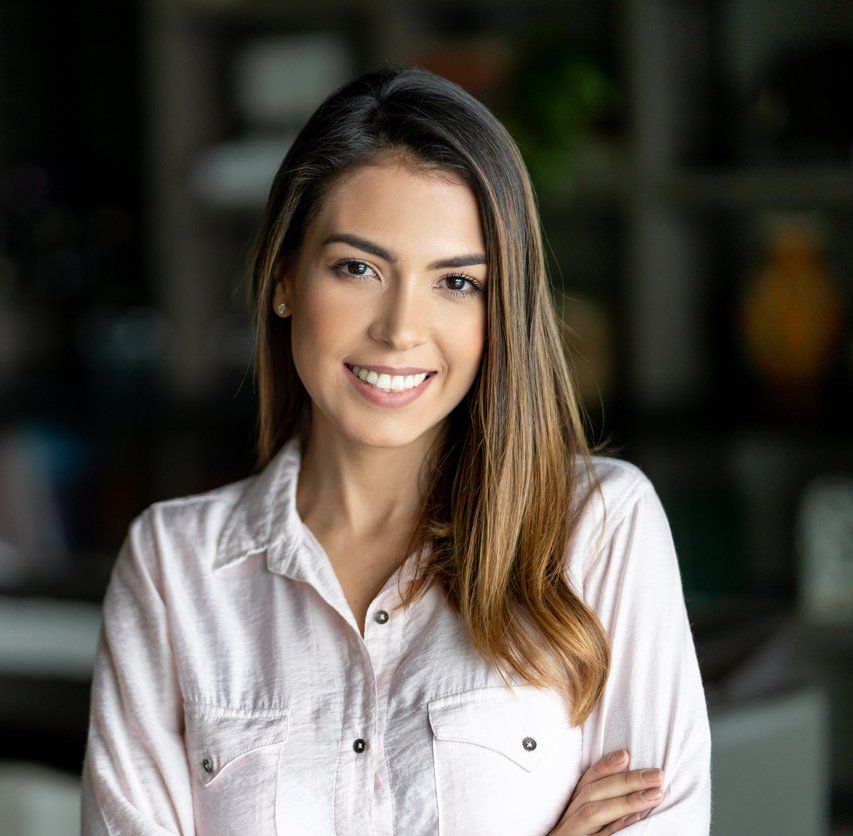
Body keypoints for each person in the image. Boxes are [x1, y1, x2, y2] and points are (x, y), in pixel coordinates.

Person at [80, 66, 712, 835]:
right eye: (358, 268)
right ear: (284, 278)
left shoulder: (598, 529)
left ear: (500, 307)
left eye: (455, 283)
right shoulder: (172, 569)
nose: (400, 329)